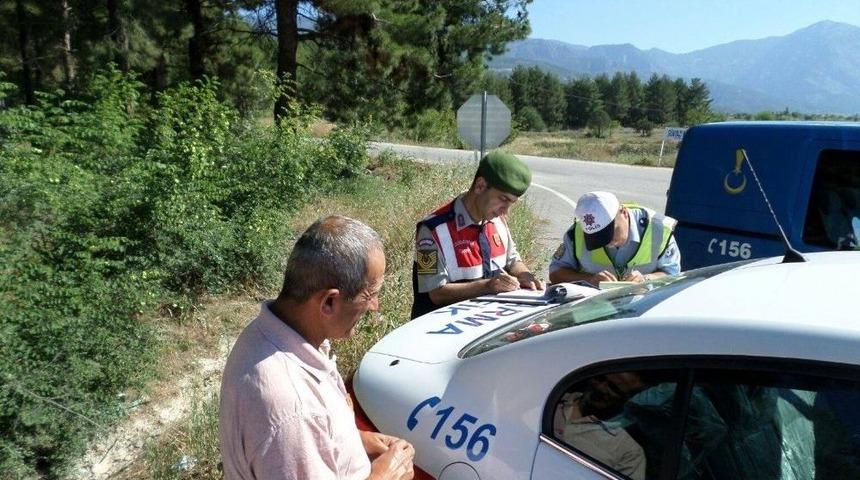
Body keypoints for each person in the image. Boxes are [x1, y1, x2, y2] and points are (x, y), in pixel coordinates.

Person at [219, 216, 415, 480]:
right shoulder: (294, 409)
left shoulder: (269, 334)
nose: (375, 306)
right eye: (369, 294)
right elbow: (296, 431)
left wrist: (355, 439)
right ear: (329, 303)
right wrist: (385, 475)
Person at [411, 150, 543, 319]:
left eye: (512, 203)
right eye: (503, 199)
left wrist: (526, 275)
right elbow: (436, 293)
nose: (506, 210)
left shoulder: (497, 221)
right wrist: (488, 286)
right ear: (480, 186)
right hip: (440, 333)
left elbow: (513, 260)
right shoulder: (430, 230)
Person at [549, 191, 680, 286]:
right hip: (593, 311)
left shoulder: (660, 230)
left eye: (610, 233)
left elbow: (673, 275)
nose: (609, 243)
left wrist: (646, 279)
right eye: (597, 238)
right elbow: (555, 274)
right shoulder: (575, 234)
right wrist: (589, 279)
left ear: (623, 212)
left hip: (642, 310)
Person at [553, 372, 648, 480]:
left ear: (626, 398)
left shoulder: (628, 452)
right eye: (600, 378)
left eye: (613, 388)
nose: (600, 388)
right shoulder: (549, 399)